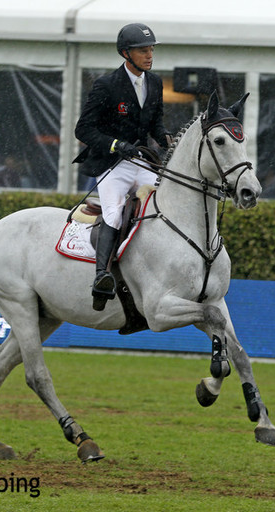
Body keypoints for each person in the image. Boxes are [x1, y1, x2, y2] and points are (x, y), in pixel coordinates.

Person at [73, 22, 172, 310]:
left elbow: (156, 123)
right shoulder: (106, 85)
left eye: (151, 49)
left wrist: (166, 138)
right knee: (115, 215)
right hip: (113, 163)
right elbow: (84, 130)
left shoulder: (154, 83)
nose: (149, 55)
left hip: (142, 161)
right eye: (143, 50)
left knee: (166, 207)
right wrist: (117, 144)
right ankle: (101, 277)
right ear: (126, 53)